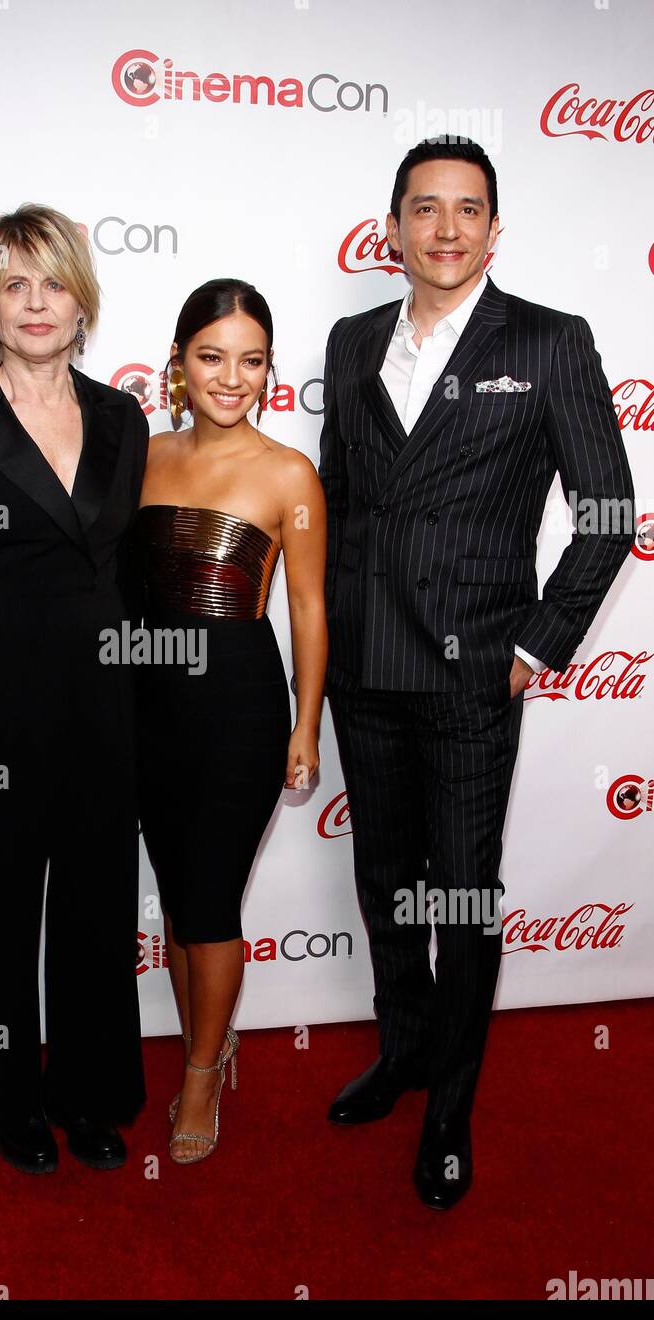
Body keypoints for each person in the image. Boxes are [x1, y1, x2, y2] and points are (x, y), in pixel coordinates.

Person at [319, 136, 635, 1209]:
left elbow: (605, 514)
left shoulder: (546, 341)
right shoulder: (352, 338)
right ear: (392, 227)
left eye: (466, 210)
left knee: (459, 895)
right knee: (382, 884)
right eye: (423, 208)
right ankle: (403, 1049)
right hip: (363, 669)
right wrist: (324, 650)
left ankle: (449, 1104)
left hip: (468, 676)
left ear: (493, 229)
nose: (444, 228)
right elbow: (340, 507)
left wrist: (533, 646)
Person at [0, 204, 148, 1175]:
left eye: (51, 282)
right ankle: (8, 1095)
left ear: (79, 298)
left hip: (102, 706)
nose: (35, 303)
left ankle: (89, 1092)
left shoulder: (122, 416)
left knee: (96, 912)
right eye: (13, 285)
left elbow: (128, 576)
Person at [129, 279, 327, 1163]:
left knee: (209, 907)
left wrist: (304, 725)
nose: (230, 376)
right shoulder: (140, 455)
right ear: (179, 363)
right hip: (144, 705)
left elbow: (311, 609)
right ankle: (205, 1047)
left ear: (268, 371)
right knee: (178, 906)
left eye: (250, 361)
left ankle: (201, 1075)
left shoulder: (288, 471)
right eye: (212, 357)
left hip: (238, 709)